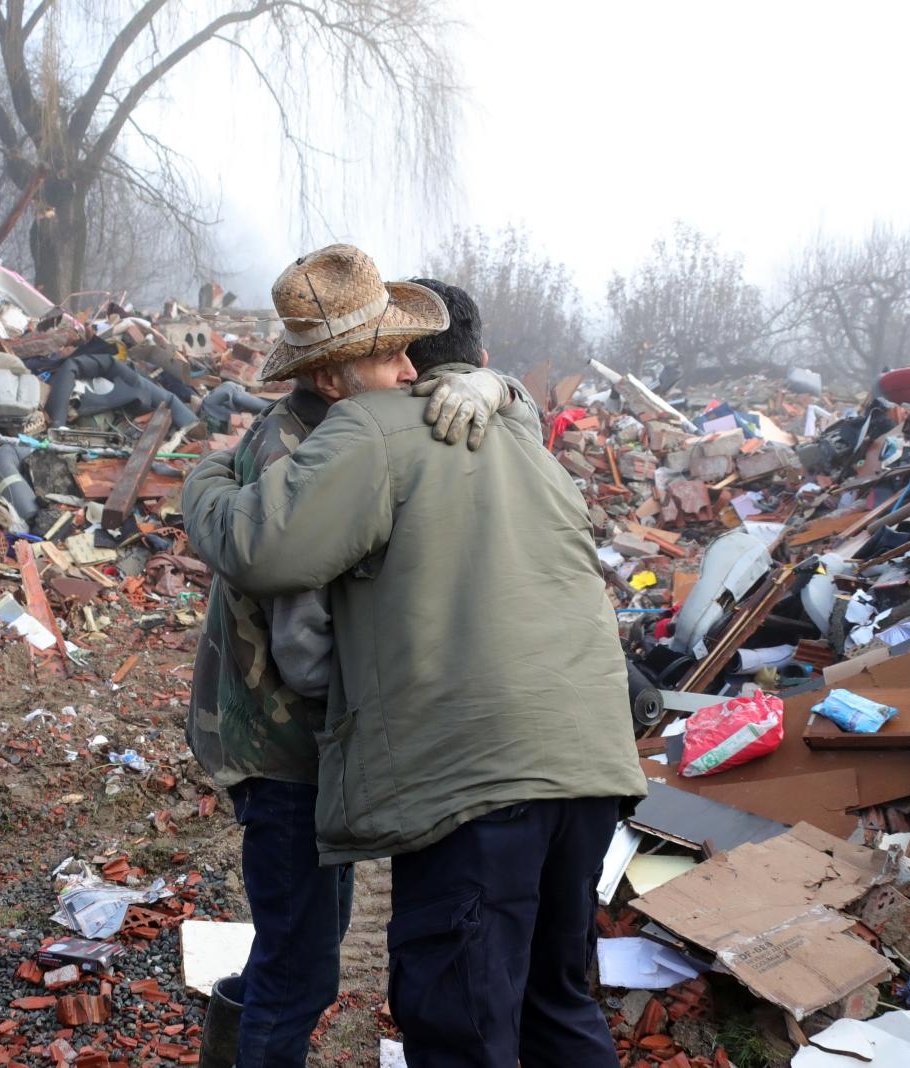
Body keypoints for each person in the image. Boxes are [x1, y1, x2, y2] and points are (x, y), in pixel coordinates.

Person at [184, 250, 649, 1068]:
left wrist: (496, 387)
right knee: (321, 970)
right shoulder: (324, 444)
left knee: (460, 1014)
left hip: (464, 771)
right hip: (308, 751)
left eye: (416, 352)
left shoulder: (408, 422)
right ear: (331, 375)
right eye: (389, 353)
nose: (410, 371)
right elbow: (280, 602)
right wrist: (209, 478)